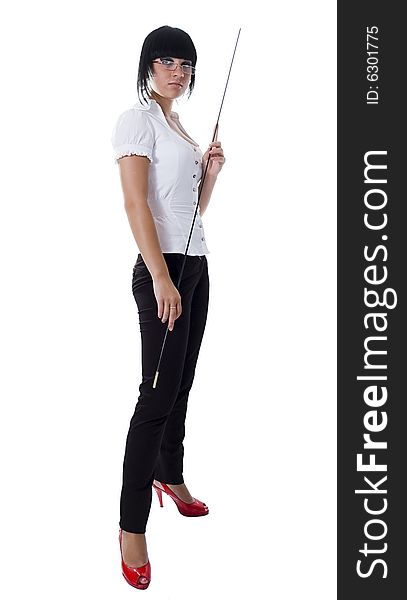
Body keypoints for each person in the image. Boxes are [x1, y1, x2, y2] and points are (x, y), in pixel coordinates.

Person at [111, 25, 225, 589]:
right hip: (165, 272)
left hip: (196, 266)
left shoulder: (177, 123)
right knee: (155, 397)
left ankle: (170, 477)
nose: (177, 71)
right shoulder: (138, 120)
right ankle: (131, 528)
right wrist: (160, 277)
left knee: (181, 383)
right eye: (167, 61)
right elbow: (137, 203)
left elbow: (186, 209)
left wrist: (210, 176)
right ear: (148, 65)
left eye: (185, 63)